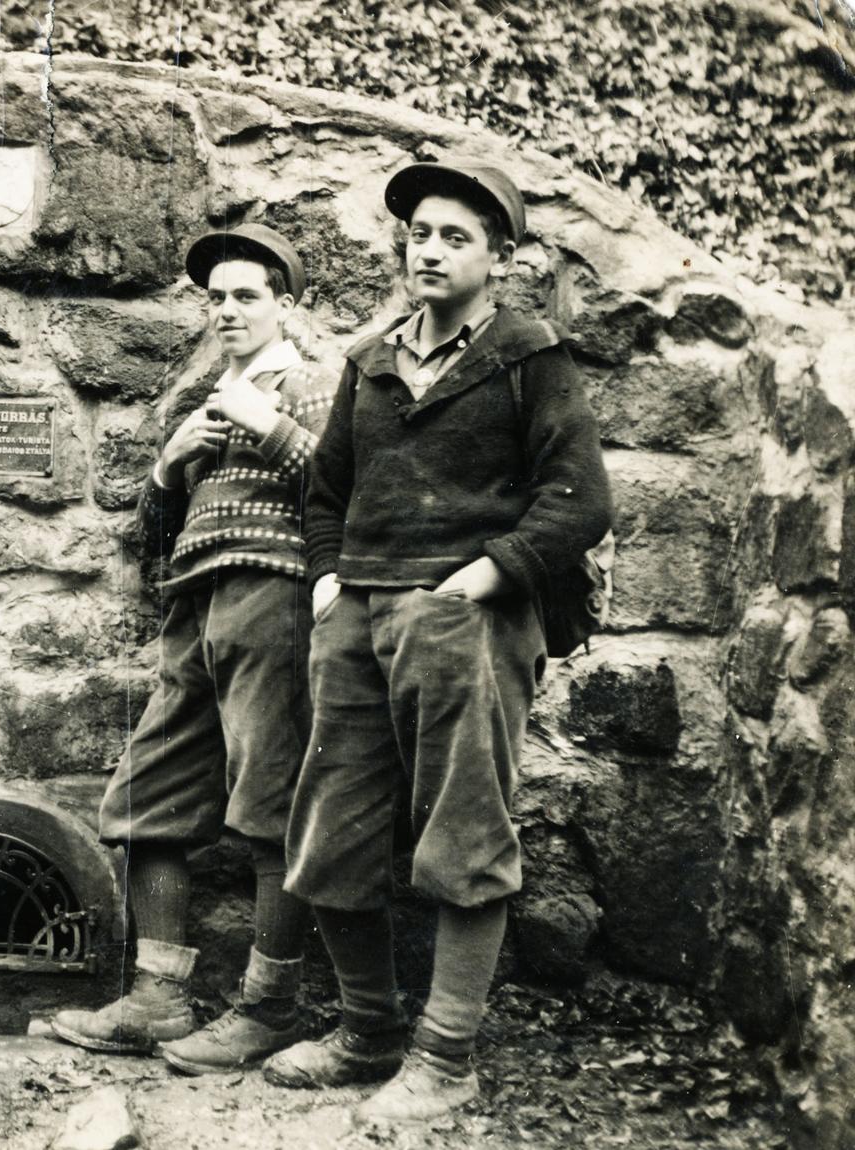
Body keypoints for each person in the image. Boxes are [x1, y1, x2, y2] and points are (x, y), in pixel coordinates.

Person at [265, 163, 612, 1122]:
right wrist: (331, 577)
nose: (429, 249)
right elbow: (327, 491)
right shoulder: (370, 360)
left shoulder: (530, 357)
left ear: (500, 257)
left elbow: (579, 498)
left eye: (455, 237)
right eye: (419, 232)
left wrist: (483, 578)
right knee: (332, 825)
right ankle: (367, 1031)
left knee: (463, 830)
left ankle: (446, 1058)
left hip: (467, 614)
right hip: (357, 613)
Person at [50, 224, 332, 1075]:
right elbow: (149, 542)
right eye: (217, 297)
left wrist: (271, 425)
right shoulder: (202, 397)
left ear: (288, 306)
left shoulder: (317, 383)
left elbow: (349, 493)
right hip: (194, 612)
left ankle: (268, 1007)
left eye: (247, 295)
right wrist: (171, 466)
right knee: (146, 799)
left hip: (276, 603)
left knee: (271, 812)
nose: (228, 310)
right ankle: (159, 1000)